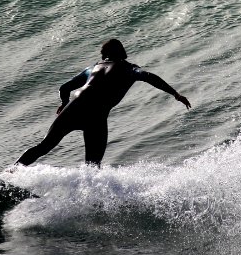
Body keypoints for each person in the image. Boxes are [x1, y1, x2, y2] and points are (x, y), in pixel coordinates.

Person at [15, 38, 191, 167]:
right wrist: (175, 94)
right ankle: (91, 202)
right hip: (96, 117)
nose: (101, 56)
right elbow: (148, 76)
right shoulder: (129, 69)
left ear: (106, 54)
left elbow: (64, 88)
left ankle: (10, 173)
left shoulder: (92, 68)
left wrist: (64, 103)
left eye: (102, 53)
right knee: (92, 165)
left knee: (44, 146)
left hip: (75, 108)